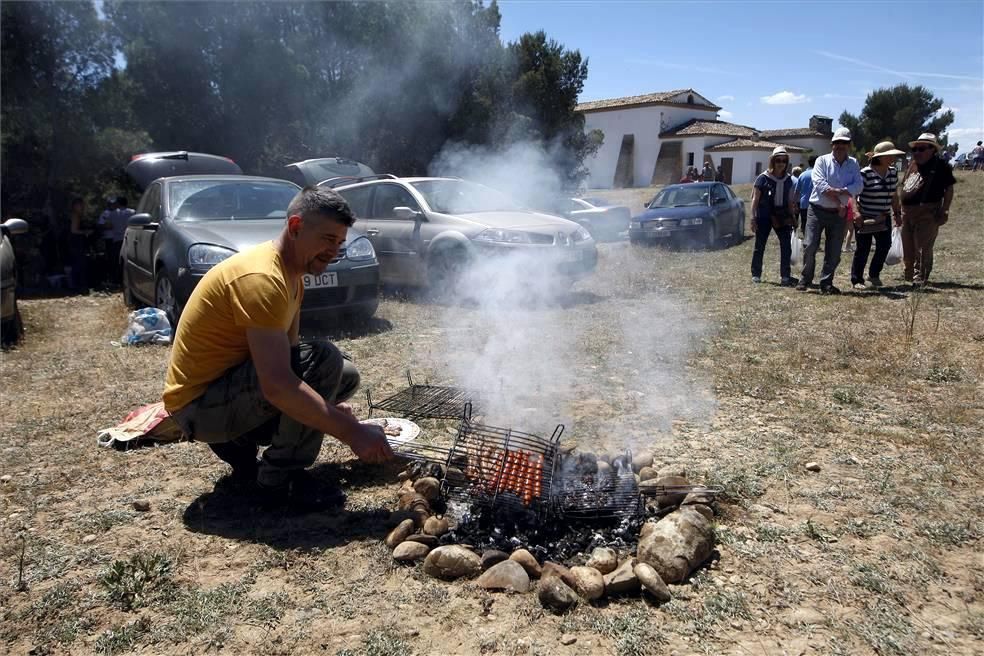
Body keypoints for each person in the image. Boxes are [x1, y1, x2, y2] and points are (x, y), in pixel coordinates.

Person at [164, 186, 393, 511]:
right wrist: (352, 432)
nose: (334, 251)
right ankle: (279, 482)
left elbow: (290, 357)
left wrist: (324, 404)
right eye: (328, 239)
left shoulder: (292, 275)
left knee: (343, 372)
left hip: (224, 395)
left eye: (340, 243)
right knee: (325, 359)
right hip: (198, 410)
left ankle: (244, 454)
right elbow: (278, 385)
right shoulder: (262, 278)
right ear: (297, 226)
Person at [797, 128, 863, 294]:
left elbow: (859, 186)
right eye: (837, 143)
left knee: (834, 251)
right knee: (810, 245)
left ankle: (826, 283)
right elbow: (820, 185)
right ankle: (805, 278)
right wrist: (843, 195)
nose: (840, 146)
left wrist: (839, 192)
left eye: (844, 143)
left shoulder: (853, 163)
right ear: (832, 144)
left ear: (849, 145)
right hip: (817, 210)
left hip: (838, 214)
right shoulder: (822, 161)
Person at [900, 133, 956, 286]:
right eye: (915, 149)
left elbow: (949, 189)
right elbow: (905, 185)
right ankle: (908, 274)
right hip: (907, 213)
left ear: (932, 150)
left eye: (921, 149)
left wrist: (945, 209)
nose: (917, 152)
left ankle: (920, 276)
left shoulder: (941, 166)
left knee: (923, 246)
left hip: (927, 212)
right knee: (908, 245)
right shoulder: (912, 164)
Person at [850, 141, 905, 289]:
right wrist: (856, 213)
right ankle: (857, 280)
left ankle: (874, 274)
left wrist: (897, 213)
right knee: (863, 249)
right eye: (889, 155)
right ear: (879, 158)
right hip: (865, 217)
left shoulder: (893, 172)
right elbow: (853, 195)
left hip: (883, 216)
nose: (892, 158)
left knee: (884, 246)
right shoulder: (865, 173)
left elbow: (894, 195)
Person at [749, 146, 799, 286]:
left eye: (783, 160)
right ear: (773, 161)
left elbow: (790, 201)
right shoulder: (762, 178)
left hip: (782, 217)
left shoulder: (789, 180)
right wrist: (753, 218)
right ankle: (756, 274)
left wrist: (793, 218)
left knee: (786, 246)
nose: (781, 163)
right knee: (760, 245)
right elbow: (755, 199)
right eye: (778, 160)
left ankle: (785, 276)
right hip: (764, 216)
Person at [99, 196, 133, 285]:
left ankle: (117, 280)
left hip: (117, 240)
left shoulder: (113, 214)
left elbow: (108, 225)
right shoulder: (133, 212)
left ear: (118, 204)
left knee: (117, 261)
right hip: (130, 239)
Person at [67, 198, 92, 292]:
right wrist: (85, 232)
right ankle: (79, 286)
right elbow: (74, 230)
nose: (82, 207)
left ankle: (78, 285)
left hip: (77, 242)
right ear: (74, 206)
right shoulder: (75, 216)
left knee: (79, 263)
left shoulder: (78, 216)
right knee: (79, 263)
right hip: (76, 242)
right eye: (80, 205)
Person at [794, 155, 817, 235]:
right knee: (814, 226)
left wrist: (795, 204)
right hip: (815, 204)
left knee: (804, 223)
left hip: (803, 203)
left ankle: (805, 240)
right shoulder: (819, 174)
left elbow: (797, 191)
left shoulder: (802, 175)